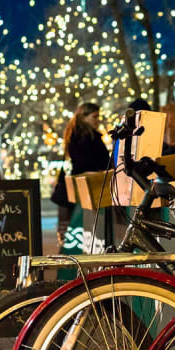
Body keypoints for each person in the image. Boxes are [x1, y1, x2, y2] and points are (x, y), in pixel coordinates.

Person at [55, 102, 112, 247]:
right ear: (84, 117)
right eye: (94, 116)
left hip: (73, 190)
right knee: (82, 232)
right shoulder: (85, 137)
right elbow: (89, 163)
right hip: (86, 189)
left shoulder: (74, 135)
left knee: (73, 234)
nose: (97, 120)